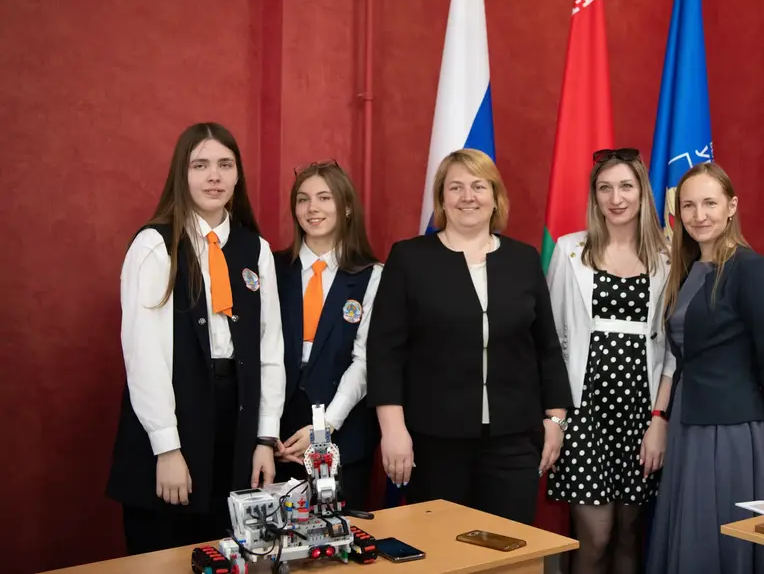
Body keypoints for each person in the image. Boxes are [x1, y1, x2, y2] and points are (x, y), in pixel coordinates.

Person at [366, 148, 572, 525]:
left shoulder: (523, 260)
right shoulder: (409, 259)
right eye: (455, 187)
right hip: (434, 442)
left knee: (510, 553)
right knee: (442, 551)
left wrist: (556, 420)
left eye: (479, 186)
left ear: (496, 197)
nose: (467, 197)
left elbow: (547, 347)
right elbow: (384, 351)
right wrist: (392, 429)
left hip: (514, 441)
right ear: (442, 199)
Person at [106, 122, 285, 555]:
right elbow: (143, 355)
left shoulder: (254, 249)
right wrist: (167, 449)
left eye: (225, 165)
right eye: (200, 165)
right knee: (168, 550)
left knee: (228, 552)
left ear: (238, 175)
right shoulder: (155, 245)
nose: (214, 177)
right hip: (172, 421)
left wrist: (264, 439)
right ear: (181, 175)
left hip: (235, 422)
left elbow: (269, 348)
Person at [646, 162, 764, 574]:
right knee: (690, 536)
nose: (699, 215)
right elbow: (682, 356)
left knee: (720, 542)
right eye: (689, 206)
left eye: (710, 203)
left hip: (731, 430)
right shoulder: (688, 268)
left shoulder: (750, 268)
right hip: (688, 423)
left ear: (732, 206)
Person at [546, 148, 673, 574]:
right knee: (595, 538)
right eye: (605, 188)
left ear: (642, 192)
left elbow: (674, 348)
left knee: (628, 536)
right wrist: (555, 417)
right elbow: (550, 339)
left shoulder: (669, 258)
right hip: (584, 417)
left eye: (625, 186)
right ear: (594, 197)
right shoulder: (569, 252)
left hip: (641, 418)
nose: (616, 197)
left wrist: (659, 419)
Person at [273, 160, 381, 509]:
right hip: (278, 431)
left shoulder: (372, 276)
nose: (312, 208)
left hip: (342, 427)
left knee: (338, 541)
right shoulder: (272, 268)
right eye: (303, 199)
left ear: (346, 207)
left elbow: (365, 361)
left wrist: (326, 427)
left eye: (324, 198)